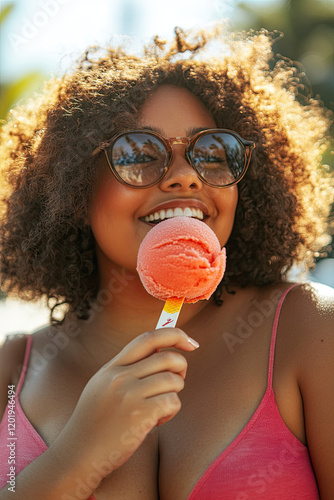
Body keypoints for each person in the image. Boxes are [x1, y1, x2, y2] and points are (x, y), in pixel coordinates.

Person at [0, 25, 333, 499]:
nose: (184, 177)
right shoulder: (14, 370)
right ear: (73, 185)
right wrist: (77, 457)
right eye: (140, 152)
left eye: (212, 152)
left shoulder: (312, 330)